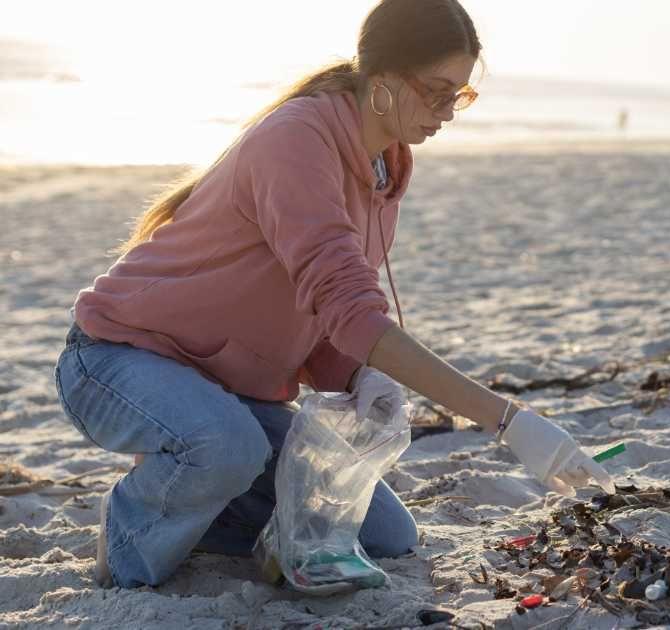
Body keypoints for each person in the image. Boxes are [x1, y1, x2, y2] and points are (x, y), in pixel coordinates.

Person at [53, 0, 614, 590]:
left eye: (461, 96)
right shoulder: (295, 141)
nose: (448, 113)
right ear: (383, 79)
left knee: (386, 537)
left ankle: (200, 494)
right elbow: (350, 309)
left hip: (228, 390)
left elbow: (321, 316)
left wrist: (357, 376)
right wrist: (512, 422)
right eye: (437, 91)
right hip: (118, 360)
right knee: (225, 445)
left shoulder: (384, 167)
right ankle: (126, 552)